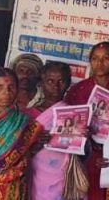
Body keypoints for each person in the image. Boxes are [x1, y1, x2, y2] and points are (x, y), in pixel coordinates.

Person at [65, 41, 109, 200]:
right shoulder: (78, 89)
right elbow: (66, 123)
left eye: (106, 58)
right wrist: (79, 129)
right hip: (84, 154)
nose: (100, 63)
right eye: (95, 58)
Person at [0, 68, 45, 199]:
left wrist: (37, 145)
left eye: (11, 87)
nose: (6, 91)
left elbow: (25, 157)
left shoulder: (24, 123)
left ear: (17, 91)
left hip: (9, 189)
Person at [29, 61, 75, 200]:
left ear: (68, 84)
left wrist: (83, 137)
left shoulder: (75, 114)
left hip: (64, 181)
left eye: (61, 81)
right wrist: (35, 143)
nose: (56, 86)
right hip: (36, 179)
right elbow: (18, 153)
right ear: (41, 83)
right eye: (50, 81)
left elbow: (83, 154)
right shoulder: (28, 115)